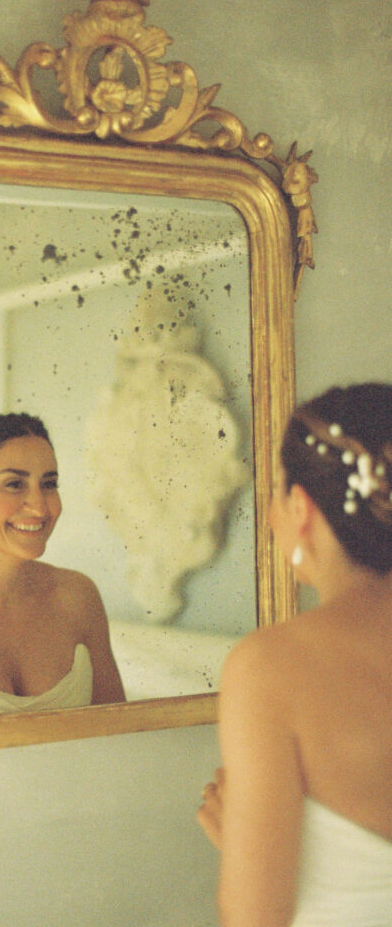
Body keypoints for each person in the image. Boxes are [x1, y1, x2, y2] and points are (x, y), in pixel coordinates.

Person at [197, 383, 392, 927]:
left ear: (301, 510)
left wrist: (245, 843)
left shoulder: (270, 669)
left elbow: (255, 920)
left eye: (277, 494)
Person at [0, 412, 125, 718]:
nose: (40, 506)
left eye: (49, 484)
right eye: (14, 484)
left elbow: (119, 732)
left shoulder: (77, 596)